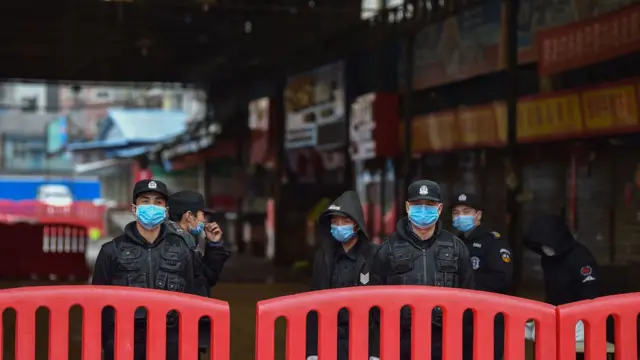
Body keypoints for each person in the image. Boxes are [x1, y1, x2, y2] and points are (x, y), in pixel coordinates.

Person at [92, 179, 207, 360]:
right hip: (126, 343)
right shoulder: (111, 251)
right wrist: (103, 345)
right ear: (134, 208)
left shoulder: (183, 250)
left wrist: (195, 345)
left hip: (171, 344)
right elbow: (97, 305)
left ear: (166, 211)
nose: (152, 206)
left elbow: (194, 298)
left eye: (158, 202)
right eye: (145, 201)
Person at [370, 180, 474, 360]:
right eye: (418, 205)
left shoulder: (456, 248)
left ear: (439, 209)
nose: (423, 210)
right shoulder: (388, 249)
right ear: (407, 207)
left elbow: (470, 298)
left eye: (429, 205)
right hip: (401, 344)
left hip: (445, 343)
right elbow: (373, 301)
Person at [524, 213, 613, 360]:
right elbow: (552, 291)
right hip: (559, 317)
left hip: (584, 320)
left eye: (545, 243)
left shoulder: (580, 258)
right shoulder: (548, 259)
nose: (544, 248)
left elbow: (591, 294)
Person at [305, 190, 378, 360]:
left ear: (357, 224)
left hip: (362, 341)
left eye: (345, 221)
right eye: (335, 221)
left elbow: (378, 312)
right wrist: (312, 351)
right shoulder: (323, 257)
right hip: (330, 339)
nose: (339, 226)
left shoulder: (374, 256)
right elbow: (313, 305)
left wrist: (376, 352)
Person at [167, 190, 231, 355]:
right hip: (175, 333)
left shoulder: (189, 243)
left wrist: (214, 245)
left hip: (187, 330)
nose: (205, 221)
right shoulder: (171, 246)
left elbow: (207, 276)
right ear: (189, 216)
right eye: (203, 215)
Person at [451, 192, 512, 360]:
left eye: (466, 212)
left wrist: (466, 281)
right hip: (461, 320)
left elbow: (502, 279)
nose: (460, 216)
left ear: (478, 215)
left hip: (488, 320)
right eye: (456, 213)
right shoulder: (455, 243)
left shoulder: (493, 243)